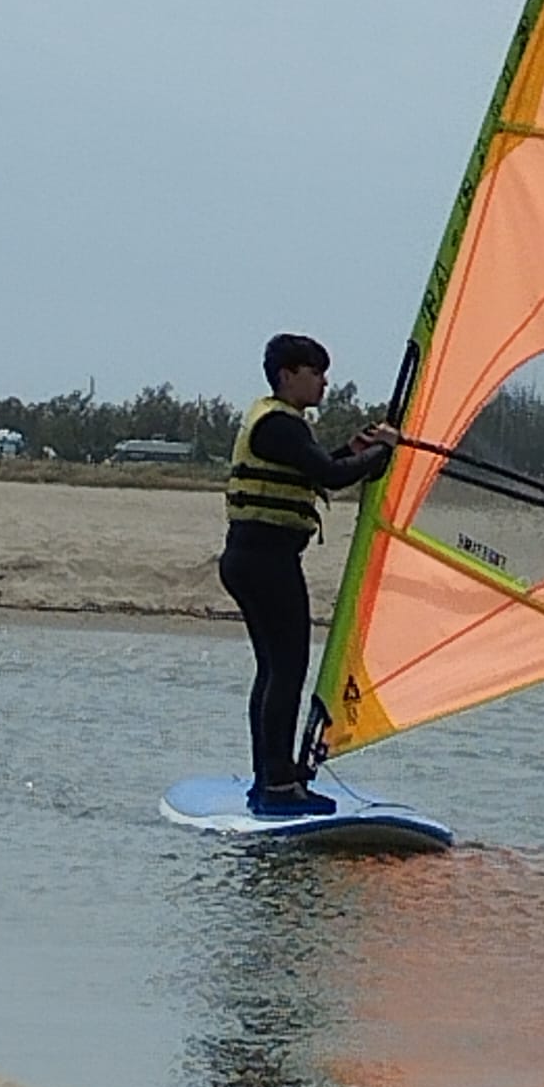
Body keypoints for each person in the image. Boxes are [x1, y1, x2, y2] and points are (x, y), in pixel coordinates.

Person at [218, 333, 398, 814]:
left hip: (252, 559)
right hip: (265, 562)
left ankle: (270, 777)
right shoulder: (279, 424)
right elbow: (335, 476)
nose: (324, 382)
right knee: (286, 669)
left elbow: (319, 469)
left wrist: (357, 448)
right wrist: (383, 451)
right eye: (315, 372)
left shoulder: (277, 422)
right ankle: (279, 784)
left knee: (274, 670)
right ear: (287, 376)